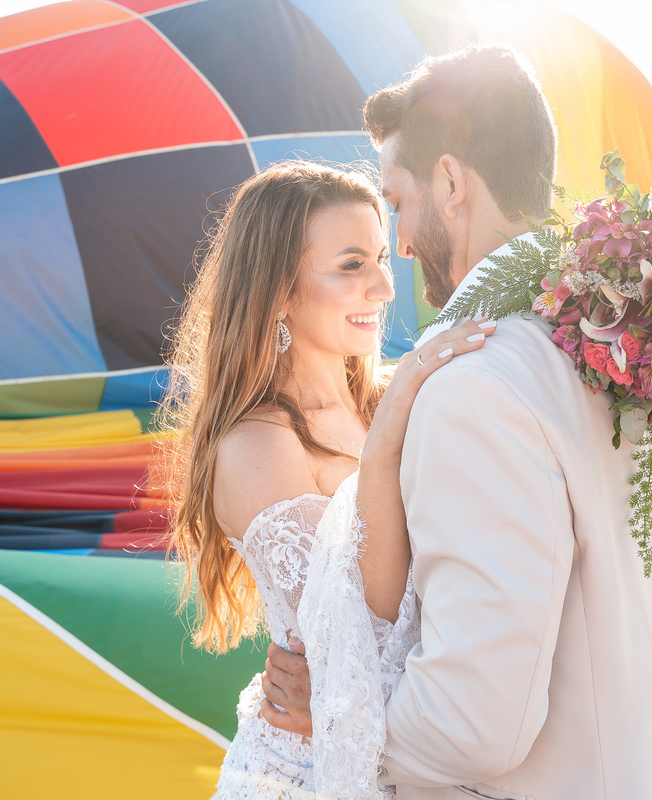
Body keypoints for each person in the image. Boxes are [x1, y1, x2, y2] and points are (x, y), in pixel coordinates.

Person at [261, 46, 652, 799]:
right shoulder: (643, 345)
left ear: (450, 183)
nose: (402, 243)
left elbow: (472, 727)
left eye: (398, 201)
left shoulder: (472, 384)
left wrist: (343, 716)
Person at [156, 160, 495, 798]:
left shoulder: (396, 398)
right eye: (351, 265)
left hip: (420, 748)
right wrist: (390, 433)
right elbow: (362, 620)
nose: (385, 288)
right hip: (302, 774)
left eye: (380, 259)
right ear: (279, 291)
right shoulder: (256, 445)